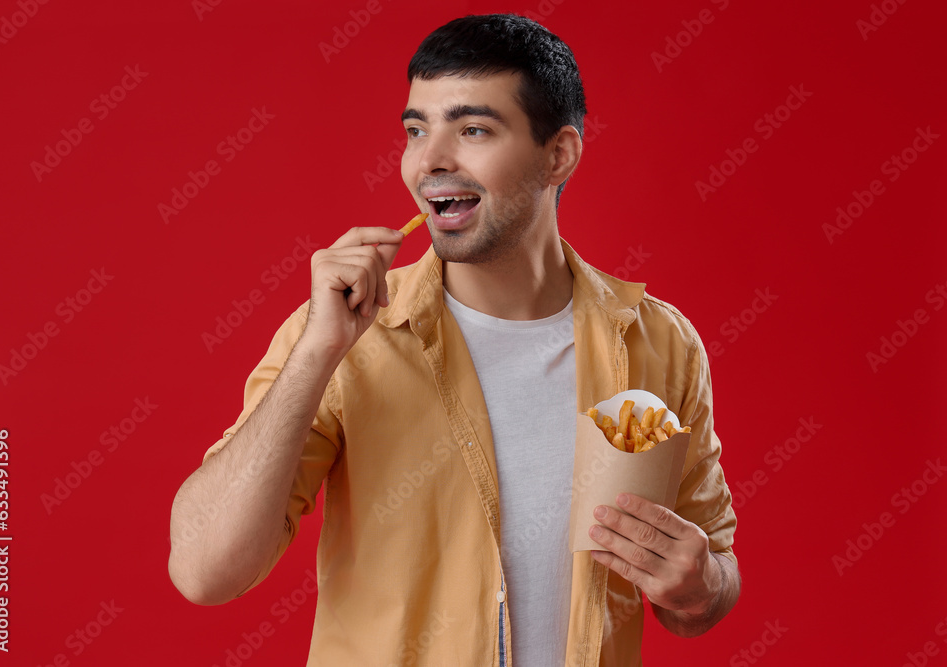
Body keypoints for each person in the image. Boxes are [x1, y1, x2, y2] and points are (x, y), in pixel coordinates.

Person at [168, 13, 739, 666]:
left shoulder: (662, 342)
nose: (428, 161)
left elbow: (708, 578)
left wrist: (702, 585)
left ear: (559, 155)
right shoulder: (343, 338)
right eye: (416, 129)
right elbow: (204, 570)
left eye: (472, 129)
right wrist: (317, 354)